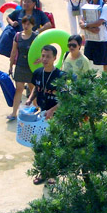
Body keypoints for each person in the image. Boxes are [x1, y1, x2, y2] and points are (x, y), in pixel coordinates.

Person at [27, 46, 67, 186]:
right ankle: (43, 171)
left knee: (54, 145)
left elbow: (65, 98)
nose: (44, 59)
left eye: (48, 56)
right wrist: (30, 99)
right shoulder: (38, 73)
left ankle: (53, 174)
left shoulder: (61, 76)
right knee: (40, 145)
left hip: (56, 116)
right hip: (42, 114)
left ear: (55, 58)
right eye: (43, 56)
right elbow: (36, 89)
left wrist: (52, 110)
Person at [8, 15, 39, 121]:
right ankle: (14, 113)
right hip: (20, 65)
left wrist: (40, 60)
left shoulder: (36, 37)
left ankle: (37, 110)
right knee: (19, 89)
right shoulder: (17, 36)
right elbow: (13, 52)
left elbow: (43, 50)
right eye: (24, 24)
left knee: (33, 90)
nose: (26, 26)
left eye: (28, 24)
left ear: (32, 25)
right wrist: (11, 66)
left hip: (31, 67)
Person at [80, 0, 107, 71]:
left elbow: (99, 22)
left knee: (105, 63)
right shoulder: (87, 6)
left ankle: (106, 78)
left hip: (102, 39)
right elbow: (81, 21)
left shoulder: (104, 6)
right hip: (90, 38)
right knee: (86, 60)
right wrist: (90, 29)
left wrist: (86, 26)